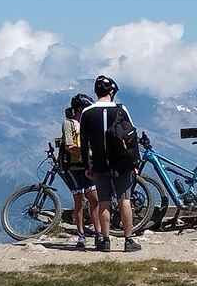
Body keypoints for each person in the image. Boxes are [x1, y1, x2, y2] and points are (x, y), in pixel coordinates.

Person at [79, 74, 143, 252]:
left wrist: (87, 166)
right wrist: (134, 162)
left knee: (104, 202)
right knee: (125, 201)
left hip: (99, 164)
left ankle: (105, 240)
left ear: (96, 91)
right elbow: (132, 137)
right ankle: (128, 241)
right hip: (121, 164)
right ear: (111, 91)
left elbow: (84, 144)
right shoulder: (121, 110)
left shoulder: (87, 112)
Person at [57, 93, 98, 249]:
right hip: (72, 168)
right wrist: (88, 154)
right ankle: (81, 235)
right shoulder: (69, 123)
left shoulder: (86, 123)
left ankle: (98, 233)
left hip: (85, 166)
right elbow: (70, 146)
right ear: (80, 109)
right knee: (79, 200)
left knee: (94, 199)